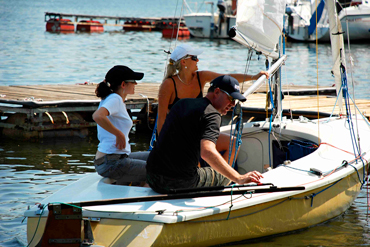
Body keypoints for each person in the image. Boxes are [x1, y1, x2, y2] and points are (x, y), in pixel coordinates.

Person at [146, 75, 264, 193]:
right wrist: (239, 178)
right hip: (179, 182)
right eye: (231, 99)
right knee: (225, 176)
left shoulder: (181, 103)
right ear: (217, 92)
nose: (233, 104)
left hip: (152, 177)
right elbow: (207, 152)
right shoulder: (212, 115)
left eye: (235, 101)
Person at [157, 43, 269, 165]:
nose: (198, 60)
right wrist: (164, 145)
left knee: (234, 143)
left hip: (198, 133)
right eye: (194, 58)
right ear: (183, 62)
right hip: (178, 136)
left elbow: (227, 78)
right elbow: (161, 118)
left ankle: (222, 178)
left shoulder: (201, 77)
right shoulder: (168, 84)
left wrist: (254, 77)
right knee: (194, 164)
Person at [93, 65, 149, 186]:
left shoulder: (111, 98)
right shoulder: (115, 99)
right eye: (133, 81)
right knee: (160, 169)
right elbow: (98, 116)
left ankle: (136, 185)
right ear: (123, 84)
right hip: (111, 163)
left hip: (111, 160)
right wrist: (118, 133)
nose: (136, 84)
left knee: (157, 156)